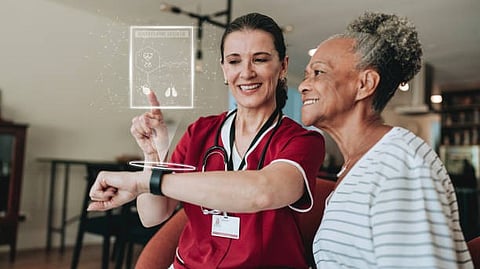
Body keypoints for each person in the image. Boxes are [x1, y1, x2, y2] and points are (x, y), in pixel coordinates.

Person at [88, 13, 325, 268]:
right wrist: (153, 157)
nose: (246, 72)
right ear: (224, 68)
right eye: (234, 61)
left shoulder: (302, 141)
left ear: (283, 66)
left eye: (260, 59)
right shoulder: (199, 132)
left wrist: (140, 181)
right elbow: (152, 215)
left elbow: (262, 192)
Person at [298, 11, 473, 268]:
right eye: (306, 74)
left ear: (365, 84)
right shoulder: (359, 165)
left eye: (318, 72)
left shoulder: (399, 164)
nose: (303, 85)